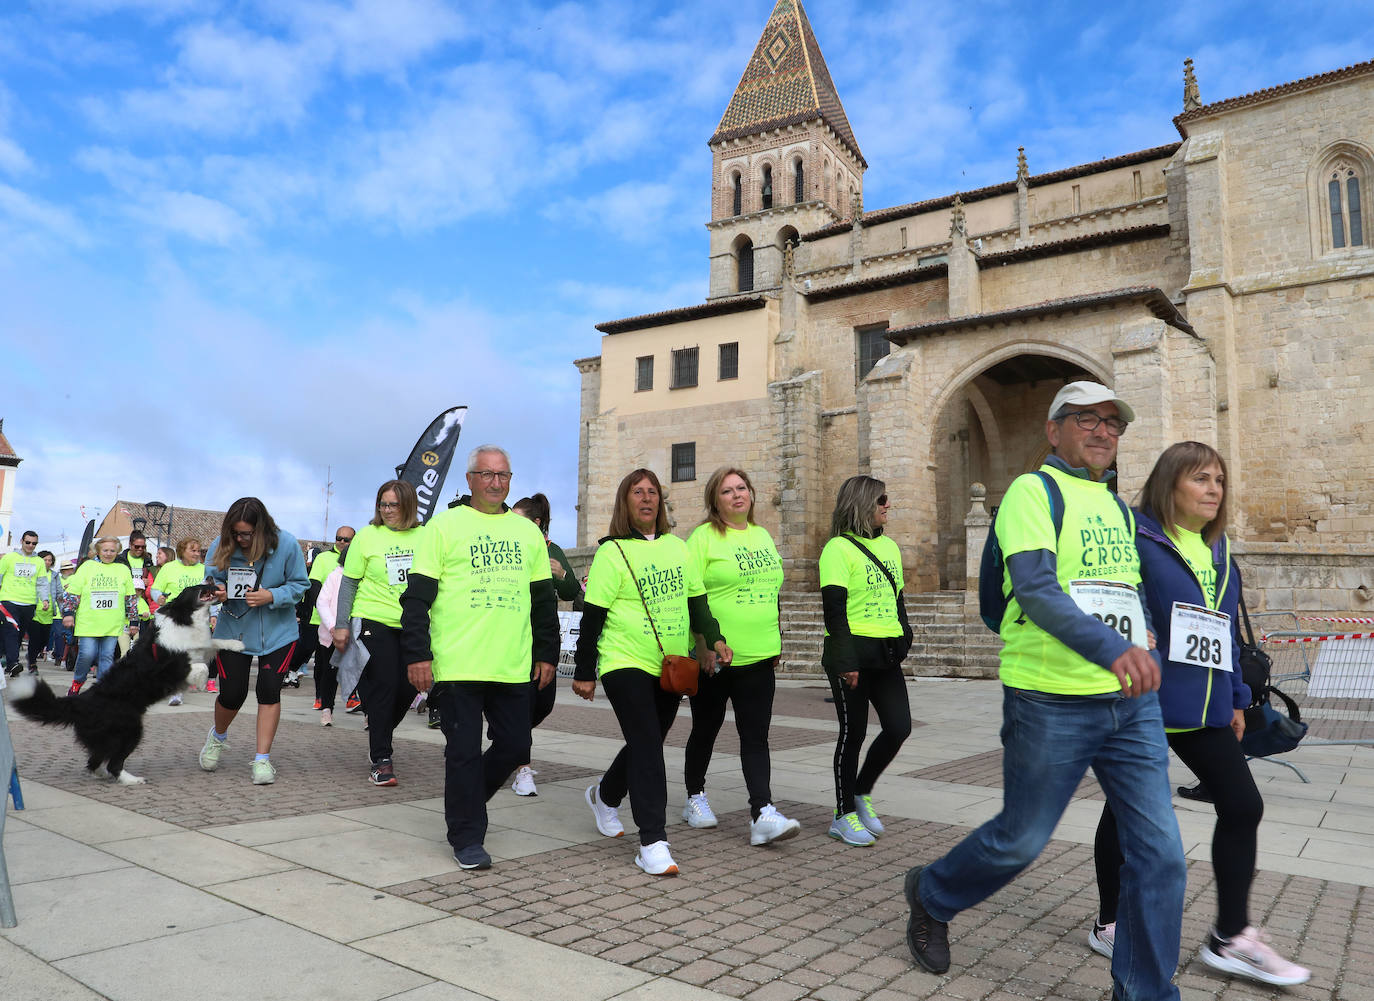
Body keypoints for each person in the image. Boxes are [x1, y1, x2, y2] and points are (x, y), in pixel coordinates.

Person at [903, 381, 1186, 1001]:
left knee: (1160, 854)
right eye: (1086, 419)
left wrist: (1147, 637)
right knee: (1022, 838)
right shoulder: (1033, 492)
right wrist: (1117, 648)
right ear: (1053, 430)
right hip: (1050, 698)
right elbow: (1034, 587)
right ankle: (932, 893)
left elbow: (1124, 590)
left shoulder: (1115, 508)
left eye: (1113, 423)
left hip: (1130, 707)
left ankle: (1144, 992)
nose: (1102, 431)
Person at [1090, 442, 1310, 986]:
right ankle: (1110, 922)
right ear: (1170, 485)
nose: (1214, 489)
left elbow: (1225, 630)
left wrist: (1237, 698)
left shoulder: (1219, 547)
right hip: (1140, 700)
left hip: (1202, 704)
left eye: (1219, 480)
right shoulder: (1135, 539)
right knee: (1125, 813)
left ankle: (1230, 938)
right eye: (1201, 479)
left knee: (1241, 805)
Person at [400, 445, 559, 870]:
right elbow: (416, 598)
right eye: (486, 475)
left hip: (511, 664)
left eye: (503, 475)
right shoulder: (444, 526)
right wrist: (418, 654)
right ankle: (467, 836)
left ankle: (470, 801)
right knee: (464, 753)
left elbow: (543, 601)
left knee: (514, 745)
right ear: (470, 480)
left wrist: (547, 652)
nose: (495, 482)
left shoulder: (527, 533)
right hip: (457, 664)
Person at [573, 468, 732, 877]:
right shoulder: (612, 552)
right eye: (637, 493)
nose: (646, 499)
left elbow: (698, 606)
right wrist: (586, 671)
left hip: (669, 664)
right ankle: (653, 841)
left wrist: (713, 641)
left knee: (647, 741)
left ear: (661, 502)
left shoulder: (679, 549)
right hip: (623, 660)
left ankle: (605, 796)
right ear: (625, 502)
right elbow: (592, 619)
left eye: (653, 493)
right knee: (647, 744)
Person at [681, 467, 800, 845]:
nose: (737, 495)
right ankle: (695, 796)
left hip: (760, 654)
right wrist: (701, 647)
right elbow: (691, 597)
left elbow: (771, 592)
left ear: (751, 493)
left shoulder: (763, 535)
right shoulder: (702, 538)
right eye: (727, 491)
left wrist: (776, 641)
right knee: (706, 729)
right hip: (717, 658)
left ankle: (762, 813)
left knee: (755, 736)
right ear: (715, 501)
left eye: (742, 488)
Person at [818, 475, 913, 847]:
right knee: (852, 733)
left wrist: (905, 634)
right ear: (862, 504)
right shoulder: (837, 550)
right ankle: (843, 815)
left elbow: (898, 597)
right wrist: (845, 661)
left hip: (886, 654)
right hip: (852, 654)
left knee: (898, 727)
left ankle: (861, 792)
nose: (887, 505)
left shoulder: (890, 547)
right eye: (881, 500)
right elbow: (834, 611)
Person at [200, 497, 309, 785]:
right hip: (234, 630)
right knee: (233, 693)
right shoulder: (220, 544)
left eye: (246, 534)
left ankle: (262, 759)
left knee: (269, 690)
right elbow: (210, 582)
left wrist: (272, 595)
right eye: (235, 533)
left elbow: (300, 586)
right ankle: (218, 736)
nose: (240, 539)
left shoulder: (286, 544)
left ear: (262, 529)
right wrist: (219, 591)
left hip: (278, 632)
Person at [332, 479, 425, 787]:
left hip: (413, 623)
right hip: (373, 618)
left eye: (393, 505)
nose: (386, 510)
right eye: (382, 504)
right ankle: (382, 759)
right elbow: (349, 582)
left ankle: (379, 727)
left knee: (410, 687)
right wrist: (342, 624)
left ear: (408, 506)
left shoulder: (426, 537)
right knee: (385, 684)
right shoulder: (368, 537)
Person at [507, 492, 581, 796]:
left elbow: (571, 590)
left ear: (537, 523)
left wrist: (561, 573)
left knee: (544, 701)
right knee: (521, 703)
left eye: (518, 519)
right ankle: (522, 768)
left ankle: (509, 737)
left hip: (545, 634)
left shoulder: (553, 550)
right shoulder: (511, 546)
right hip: (513, 633)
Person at [62, 537, 136, 694]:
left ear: (117, 552)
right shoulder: (88, 567)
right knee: (87, 654)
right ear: (98, 551)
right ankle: (78, 681)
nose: (108, 554)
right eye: (105, 550)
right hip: (89, 622)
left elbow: (130, 597)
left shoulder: (122, 570)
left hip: (112, 622)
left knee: (107, 656)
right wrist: (68, 613)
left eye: (112, 551)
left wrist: (133, 620)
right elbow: (73, 593)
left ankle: (102, 690)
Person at [152, 538, 207, 705]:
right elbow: (156, 589)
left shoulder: (204, 570)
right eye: (193, 550)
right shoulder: (169, 568)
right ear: (183, 551)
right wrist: (159, 597)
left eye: (198, 551)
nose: (197, 554)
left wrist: (213, 612)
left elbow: (210, 594)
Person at [304, 527, 354, 706]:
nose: (341, 542)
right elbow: (314, 584)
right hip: (322, 619)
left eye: (346, 539)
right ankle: (320, 697)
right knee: (322, 664)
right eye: (339, 538)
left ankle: (351, 698)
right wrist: (326, 613)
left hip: (348, 622)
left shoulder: (357, 560)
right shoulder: (323, 558)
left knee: (353, 662)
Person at [1, 530, 51, 676]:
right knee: (12, 631)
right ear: (22, 541)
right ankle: (13, 662)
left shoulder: (39, 562)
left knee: (19, 634)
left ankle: (10, 663)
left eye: (34, 543)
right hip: (9, 600)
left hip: (29, 603)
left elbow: (42, 583)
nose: (30, 545)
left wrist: (45, 599)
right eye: (27, 542)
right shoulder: (9, 558)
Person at [24, 550, 59, 672]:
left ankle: (32, 654)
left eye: (50, 560)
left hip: (48, 612)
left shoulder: (54, 575)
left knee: (44, 640)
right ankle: (32, 664)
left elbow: (59, 593)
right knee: (34, 638)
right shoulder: (33, 572)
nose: (47, 562)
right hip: (34, 611)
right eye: (45, 560)